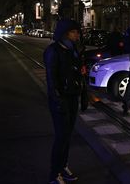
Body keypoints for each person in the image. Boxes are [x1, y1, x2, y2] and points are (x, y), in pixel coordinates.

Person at [44, 19, 88, 184]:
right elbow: (51, 79)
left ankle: (63, 166)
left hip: (72, 97)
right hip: (60, 100)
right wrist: (58, 100)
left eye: (78, 32)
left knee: (68, 136)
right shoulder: (53, 51)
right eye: (74, 32)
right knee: (61, 137)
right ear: (65, 33)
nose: (77, 35)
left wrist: (83, 95)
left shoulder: (73, 50)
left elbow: (77, 74)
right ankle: (54, 174)